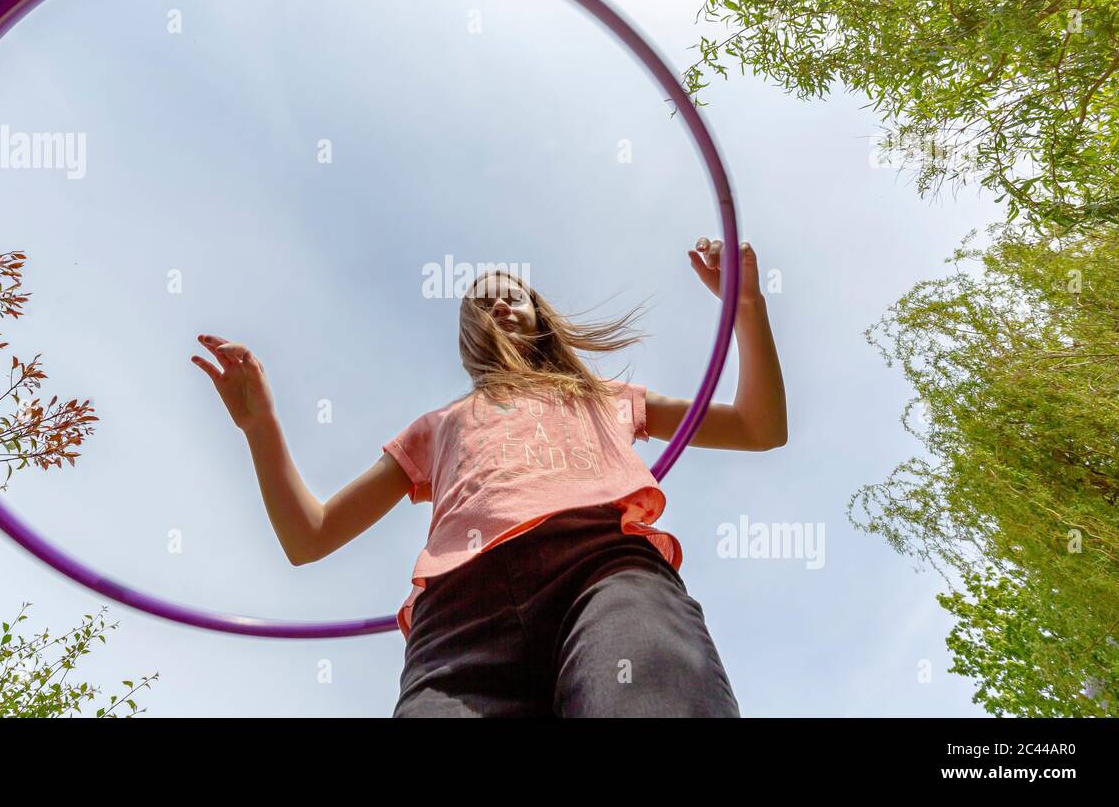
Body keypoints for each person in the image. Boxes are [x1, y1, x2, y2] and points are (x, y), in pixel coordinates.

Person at [191, 236, 786, 717]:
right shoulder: (436, 427)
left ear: (540, 319)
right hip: (459, 619)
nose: (497, 305)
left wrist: (746, 310)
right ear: (468, 332)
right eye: (481, 302)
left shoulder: (605, 397)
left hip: (603, 573)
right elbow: (310, 536)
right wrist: (260, 428)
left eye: (511, 296)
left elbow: (759, 427)